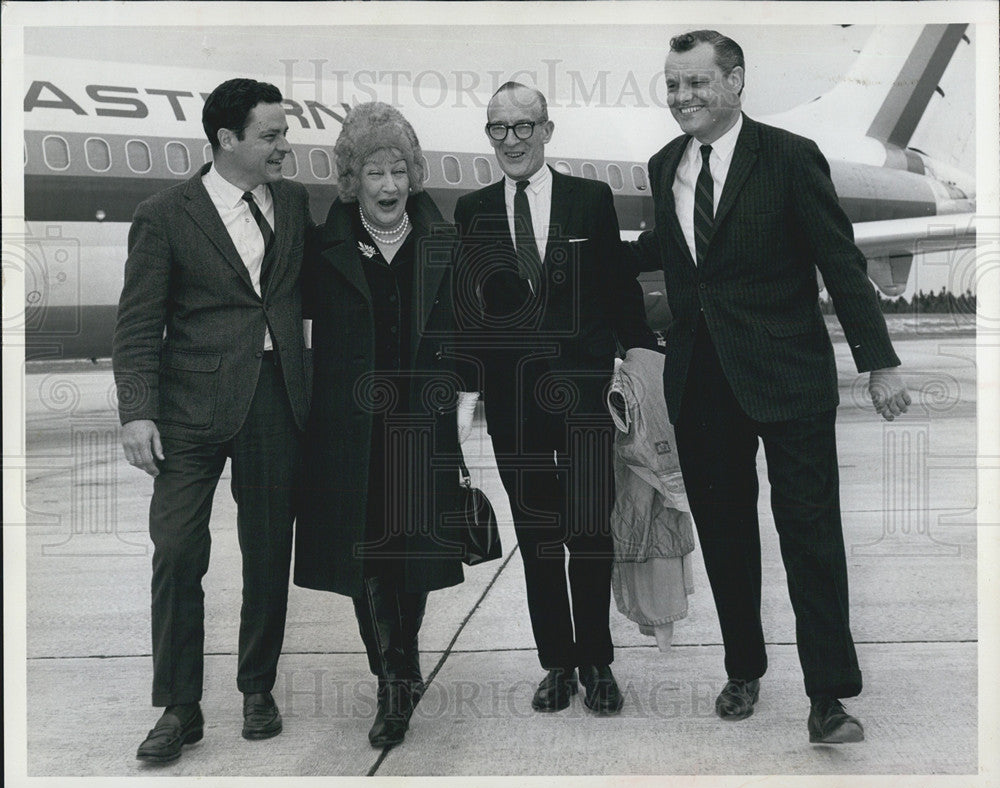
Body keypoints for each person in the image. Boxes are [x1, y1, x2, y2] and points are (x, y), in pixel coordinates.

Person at [629, 30, 911, 742]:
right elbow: (656, 259)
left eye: (695, 82)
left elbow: (840, 261)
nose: (682, 97)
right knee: (724, 537)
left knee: (810, 536)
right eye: (671, 85)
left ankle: (828, 696)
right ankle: (743, 667)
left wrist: (878, 361)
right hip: (702, 382)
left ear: (735, 82)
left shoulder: (787, 157)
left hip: (788, 377)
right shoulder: (665, 166)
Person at [112, 79, 313, 762]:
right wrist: (136, 411)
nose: (285, 145)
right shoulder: (165, 214)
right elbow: (137, 323)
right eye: (273, 135)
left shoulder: (293, 202)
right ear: (228, 140)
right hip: (189, 409)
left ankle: (258, 686)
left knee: (266, 553)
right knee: (176, 551)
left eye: (284, 133)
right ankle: (178, 705)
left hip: (273, 399)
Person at [453, 82, 658, 716]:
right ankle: (557, 665)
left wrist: (645, 366)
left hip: (584, 398)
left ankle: (597, 660)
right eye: (498, 129)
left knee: (590, 533)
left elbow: (620, 293)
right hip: (513, 408)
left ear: (547, 131)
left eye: (523, 127)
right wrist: (460, 399)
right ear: (489, 135)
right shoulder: (474, 211)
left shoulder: (589, 200)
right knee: (539, 537)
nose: (511, 141)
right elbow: (468, 315)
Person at [294, 102, 467, 749]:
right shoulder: (325, 246)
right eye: (375, 172)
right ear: (352, 178)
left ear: (412, 172)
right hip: (350, 433)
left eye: (399, 169)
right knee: (367, 551)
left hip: (422, 427)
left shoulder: (442, 241)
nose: (390, 185)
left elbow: (468, 334)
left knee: (413, 554)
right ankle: (393, 679)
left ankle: (405, 654)